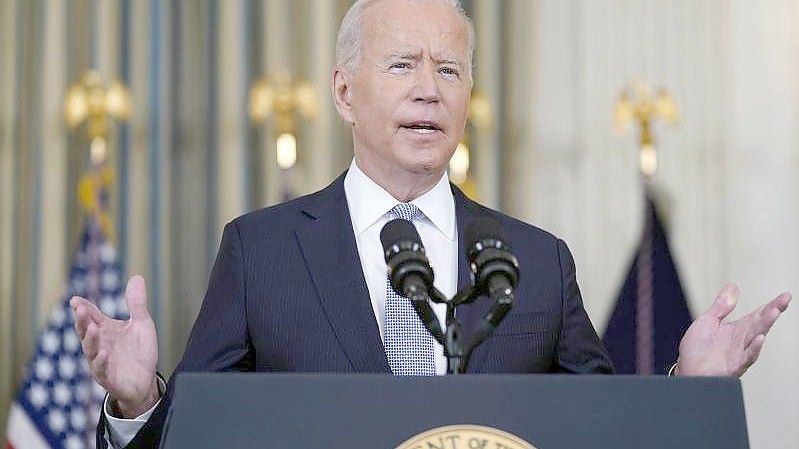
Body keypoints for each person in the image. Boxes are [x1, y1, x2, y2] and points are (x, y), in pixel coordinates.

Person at [69, 0, 792, 448]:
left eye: (448, 70)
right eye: (403, 64)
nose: (427, 88)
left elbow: (595, 430)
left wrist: (688, 385)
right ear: (344, 91)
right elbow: (202, 437)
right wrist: (138, 401)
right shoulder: (262, 250)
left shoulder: (537, 261)